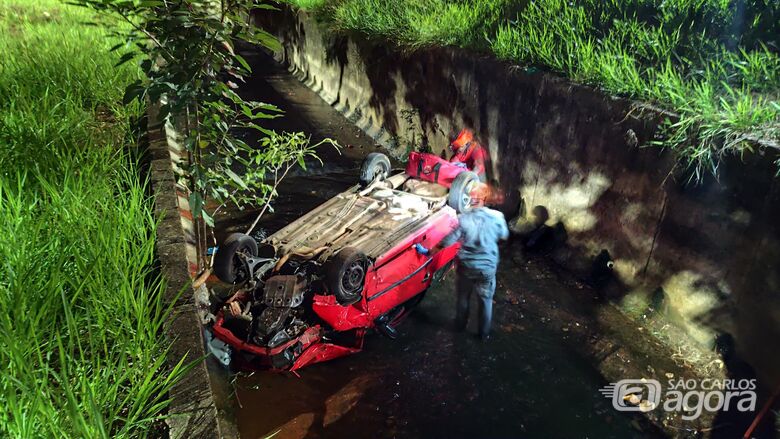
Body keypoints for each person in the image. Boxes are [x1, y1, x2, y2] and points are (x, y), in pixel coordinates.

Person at [415, 183, 509, 340]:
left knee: (463, 297)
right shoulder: (497, 217)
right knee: (485, 300)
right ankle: (483, 335)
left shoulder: (463, 219)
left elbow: (447, 242)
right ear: (485, 199)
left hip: (467, 266)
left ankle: (459, 326)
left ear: (470, 199)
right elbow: (504, 236)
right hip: (487, 268)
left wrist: (428, 252)